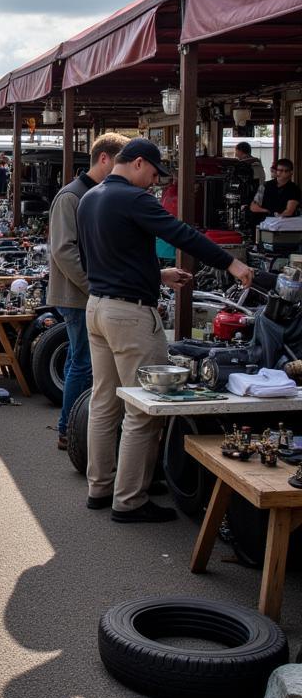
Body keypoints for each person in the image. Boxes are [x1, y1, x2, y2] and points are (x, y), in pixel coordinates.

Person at [77, 138, 254, 523]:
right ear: (138, 163)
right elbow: (182, 234)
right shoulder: (134, 199)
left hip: (98, 307)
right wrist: (233, 265)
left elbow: (103, 258)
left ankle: (100, 487)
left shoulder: (91, 197)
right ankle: (129, 500)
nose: (154, 183)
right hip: (129, 315)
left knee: (104, 402)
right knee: (143, 407)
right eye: (154, 174)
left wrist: (156, 274)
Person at [47, 133, 128, 452]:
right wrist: (95, 286)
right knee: (83, 363)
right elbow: (63, 250)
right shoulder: (72, 196)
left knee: (80, 362)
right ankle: (69, 429)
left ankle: (74, 425)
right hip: (78, 295)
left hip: (88, 294)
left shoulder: (95, 193)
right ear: (105, 159)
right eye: (120, 163)